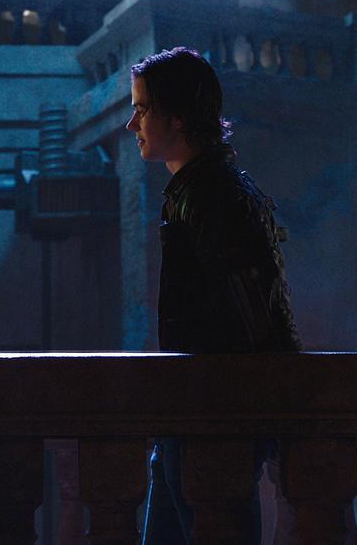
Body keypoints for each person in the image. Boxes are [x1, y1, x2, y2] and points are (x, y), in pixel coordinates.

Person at [127, 47, 301, 545]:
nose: (132, 124)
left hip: (212, 416)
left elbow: (252, 314)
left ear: (178, 117)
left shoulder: (211, 195)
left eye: (142, 109)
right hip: (194, 414)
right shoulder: (203, 189)